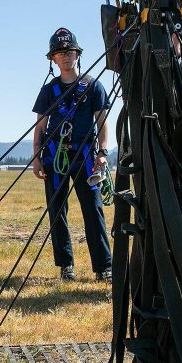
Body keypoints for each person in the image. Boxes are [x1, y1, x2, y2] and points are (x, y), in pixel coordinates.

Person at [32, 28, 113, 281]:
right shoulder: (48, 91)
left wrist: (102, 152)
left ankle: (104, 267)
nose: (66, 57)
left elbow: (101, 122)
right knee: (57, 211)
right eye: (60, 53)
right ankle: (66, 266)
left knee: (93, 209)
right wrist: (36, 156)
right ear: (53, 59)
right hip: (55, 156)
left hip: (87, 156)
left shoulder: (94, 86)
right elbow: (40, 126)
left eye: (69, 52)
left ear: (77, 54)